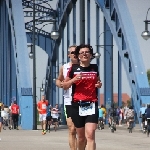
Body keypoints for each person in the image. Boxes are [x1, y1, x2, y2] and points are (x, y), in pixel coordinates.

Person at [63, 44, 102, 150]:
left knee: (90, 134)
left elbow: (98, 82)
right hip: (77, 105)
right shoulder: (73, 69)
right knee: (81, 138)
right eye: (82, 52)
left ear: (90, 55)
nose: (85, 54)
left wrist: (99, 84)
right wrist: (73, 80)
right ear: (78, 56)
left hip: (91, 104)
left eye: (87, 52)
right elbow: (64, 85)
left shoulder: (95, 68)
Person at [56, 45, 78, 150]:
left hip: (83, 101)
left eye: (76, 52)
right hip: (69, 101)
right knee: (72, 129)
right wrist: (60, 84)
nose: (75, 54)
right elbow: (58, 79)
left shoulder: (85, 67)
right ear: (69, 55)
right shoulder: (64, 67)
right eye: (72, 52)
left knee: (82, 131)